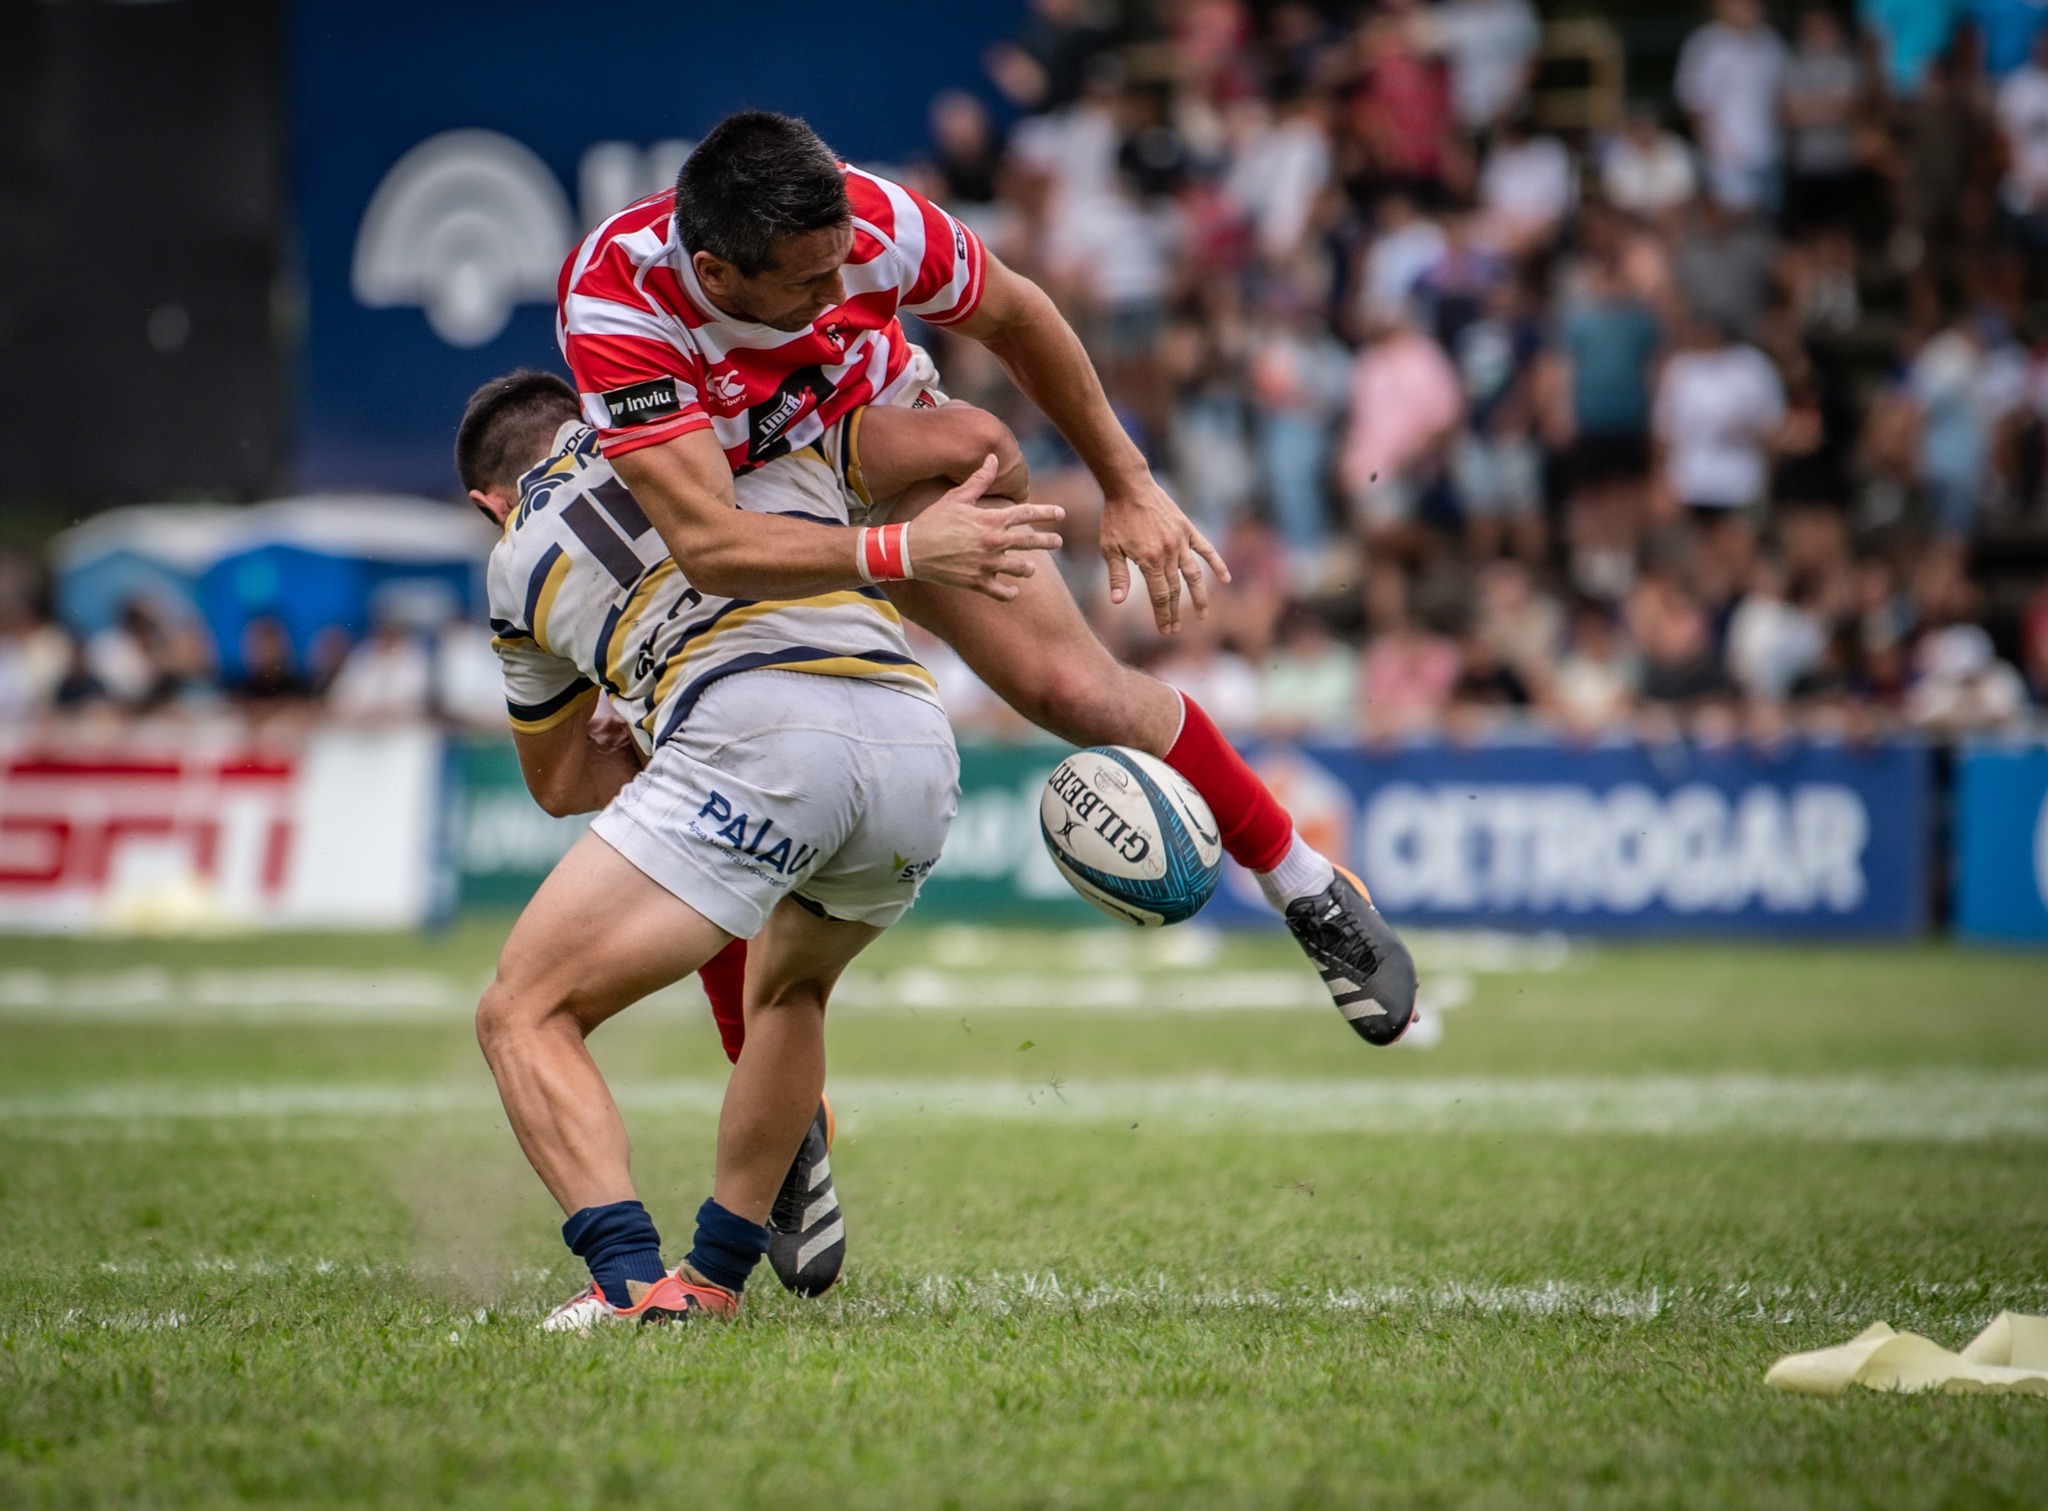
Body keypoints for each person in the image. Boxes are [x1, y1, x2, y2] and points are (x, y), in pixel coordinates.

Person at [557, 111, 1417, 1045]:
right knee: (705, 748)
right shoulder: (617, 302)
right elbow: (709, 539)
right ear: (718, 275)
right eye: (811, 282)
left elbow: (1018, 312)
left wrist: (1128, 483)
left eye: (845, 263)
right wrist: (902, 555)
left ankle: (1304, 883)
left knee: (1070, 684)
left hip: (866, 429)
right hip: (725, 499)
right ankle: (775, 1118)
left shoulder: (876, 218)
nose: (844, 291)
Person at [460, 371, 1018, 1327]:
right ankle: (715, 1276)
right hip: (915, 741)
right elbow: (974, 439)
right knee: (790, 990)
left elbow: (559, 786)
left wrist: (631, 710)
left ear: (486, 502)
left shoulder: (514, 558)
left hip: (756, 732)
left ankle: (631, 1281)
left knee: (524, 1011)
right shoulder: (719, 429)